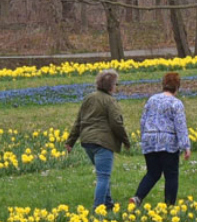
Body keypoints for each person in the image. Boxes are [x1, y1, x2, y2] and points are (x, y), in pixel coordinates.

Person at [64, 68, 130, 211]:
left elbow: (78, 120)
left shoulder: (89, 98)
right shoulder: (110, 101)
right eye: (116, 84)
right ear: (111, 86)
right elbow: (116, 123)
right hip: (103, 143)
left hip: (87, 142)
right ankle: (97, 208)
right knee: (103, 177)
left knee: (102, 174)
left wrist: (70, 141)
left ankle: (108, 203)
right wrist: (125, 140)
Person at [129, 71, 190, 207]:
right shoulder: (176, 103)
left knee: (153, 173)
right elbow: (180, 125)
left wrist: (145, 136)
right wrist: (186, 145)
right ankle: (169, 206)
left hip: (149, 140)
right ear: (177, 87)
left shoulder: (152, 100)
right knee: (171, 175)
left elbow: (143, 120)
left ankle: (138, 197)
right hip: (167, 143)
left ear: (163, 85)